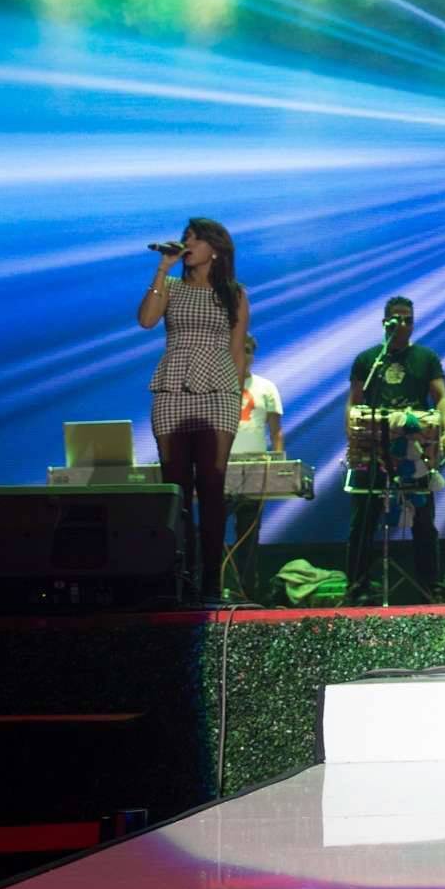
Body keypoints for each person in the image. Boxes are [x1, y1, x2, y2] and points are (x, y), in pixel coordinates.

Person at [138, 218, 249, 607]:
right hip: (173, 389)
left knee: (212, 485)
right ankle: (179, 577)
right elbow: (146, 320)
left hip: (218, 392)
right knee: (177, 487)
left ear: (214, 249)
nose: (186, 244)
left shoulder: (233, 294)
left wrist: (235, 398)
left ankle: (211, 581)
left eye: (194, 239)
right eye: (185, 238)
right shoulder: (170, 286)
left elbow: (237, 351)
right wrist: (162, 268)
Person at [344, 296, 445, 604]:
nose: (403, 324)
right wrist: (353, 438)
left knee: (423, 520)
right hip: (374, 448)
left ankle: (431, 587)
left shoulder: (426, 358)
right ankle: (357, 585)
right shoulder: (368, 360)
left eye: (408, 319)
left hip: (414, 449)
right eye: (397, 318)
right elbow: (354, 403)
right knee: (363, 519)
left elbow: (441, 398)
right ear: (385, 322)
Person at [225, 334, 284, 604]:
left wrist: (279, 467)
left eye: (248, 350)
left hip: (255, 470)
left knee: (248, 535)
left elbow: (276, 432)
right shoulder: (216, 386)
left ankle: (247, 593)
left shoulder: (266, 387)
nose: (244, 355)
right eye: (240, 349)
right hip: (221, 467)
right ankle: (215, 587)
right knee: (212, 531)